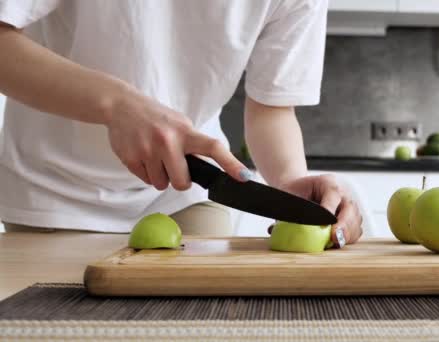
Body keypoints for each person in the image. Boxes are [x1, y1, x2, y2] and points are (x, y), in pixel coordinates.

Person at [0, 0, 362, 248]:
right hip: (52, 191)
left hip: (188, 188)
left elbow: (272, 109)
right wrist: (116, 104)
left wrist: (287, 183)